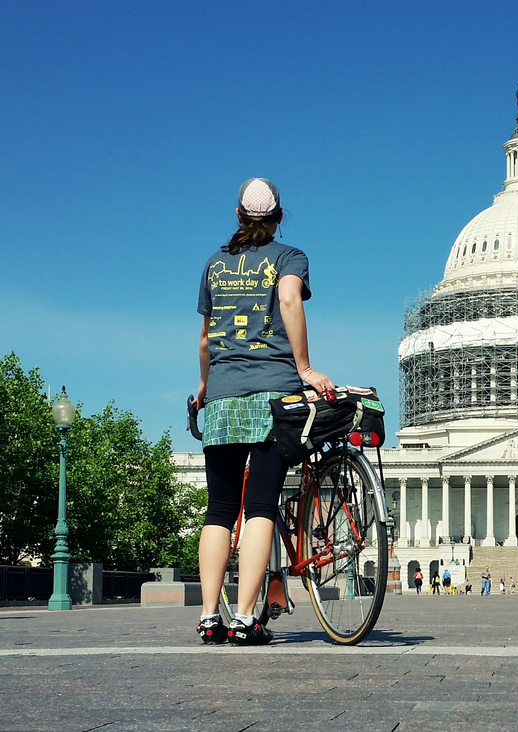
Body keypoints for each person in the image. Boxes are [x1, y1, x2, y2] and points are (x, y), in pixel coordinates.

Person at [195, 178, 334, 646]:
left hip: (221, 396)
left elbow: (205, 338)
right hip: (272, 395)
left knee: (218, 510)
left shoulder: (215, 263)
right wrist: (306, 368)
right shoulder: (289, 257)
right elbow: (290, 300)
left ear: (238, 216)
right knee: (259, 508)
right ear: (278, 217)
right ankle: (247, 617)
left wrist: (203, 388)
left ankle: (210, 616)